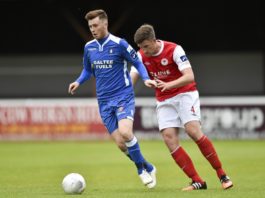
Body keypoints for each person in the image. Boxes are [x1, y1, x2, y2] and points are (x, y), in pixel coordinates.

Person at [130, 24, 233, 191]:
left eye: (146, 47)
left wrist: (169, 84)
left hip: (185, 94)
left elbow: (189, 76)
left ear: (154, 40)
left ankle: (222, 174)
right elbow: (132, 77)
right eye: (141, 48)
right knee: (169, 138)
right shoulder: (140, 55)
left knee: (193, 131)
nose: (144, 51)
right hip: (164, 98)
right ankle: (197, 181)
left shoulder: (174, 49)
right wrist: (124, 93)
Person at [68, 10, 157, 188]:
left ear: (105, 24)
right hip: (103, 101)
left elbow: (138, 61)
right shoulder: (89, 47)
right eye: (90, 26)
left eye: (95, 25)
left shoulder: (120, 44)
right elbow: (88, 70)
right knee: (121, 145)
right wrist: (78, 81)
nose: (92, 29)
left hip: (123, 96)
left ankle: (141, 170)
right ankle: (147, 165)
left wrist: (146, 78)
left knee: (125, 132)